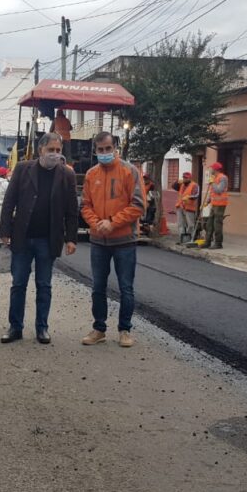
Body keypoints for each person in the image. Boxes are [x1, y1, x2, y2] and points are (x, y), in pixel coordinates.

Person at [0, 132, 78, 344]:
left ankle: (42, 328)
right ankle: (15, 327)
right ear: (41, 149)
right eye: (50, 150)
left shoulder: (66, 175)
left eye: (58, 150)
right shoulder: (24, 169)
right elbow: (9, 202)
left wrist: (71, 238)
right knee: (18, 285)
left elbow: (72, 209)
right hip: (22, 238)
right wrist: (4, 231)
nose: (54, 154)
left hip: (48, 239)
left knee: (44, 285)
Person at [80, 131, 144, 348]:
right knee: (98, 286)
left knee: (126, 287)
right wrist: (96, 223)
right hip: (99, 241)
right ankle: (99, 329)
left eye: (108, 148)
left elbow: (137, 205)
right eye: (101, 150)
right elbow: (85, 205)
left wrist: (113, 222)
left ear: (115, 147)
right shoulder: (91, 174)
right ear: (95, 151)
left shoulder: (130, 171)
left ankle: (125, 330)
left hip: (124, 241)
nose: (105, 153)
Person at [203, 161, 230, 250]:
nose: (210, 169)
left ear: (215, 169)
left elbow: (219, 190)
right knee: (209, 224)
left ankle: (218, 243)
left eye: (212, 168)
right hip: (214, 204)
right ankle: (207, 242)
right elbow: (213, 192)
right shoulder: (214, 178)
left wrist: (212, 183)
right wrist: (208, 200)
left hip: (220, 204)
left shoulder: (223, 178)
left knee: (217, 224)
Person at [176, 171, 200, 244]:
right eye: (183, 178)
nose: (184, 179)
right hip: (180, 206)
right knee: (181, 224)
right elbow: (173, 187)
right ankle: (181, 239)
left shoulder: (194, 185)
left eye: (186, 178)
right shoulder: (181, 185)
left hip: (189, 207)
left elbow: (196, 195)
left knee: (190, 224)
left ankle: (190, 239)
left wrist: (189, 197)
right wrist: (176, 181)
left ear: (190, 178)